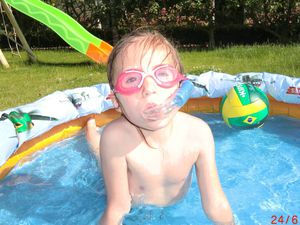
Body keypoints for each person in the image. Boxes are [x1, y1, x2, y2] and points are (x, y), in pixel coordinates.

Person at [86, 28, 234, 225]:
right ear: (116, 101)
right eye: (131, 79)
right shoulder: (115, 139)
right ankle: (91, 132)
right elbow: (119, 207)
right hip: (136, 208)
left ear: (181, 86)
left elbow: (215, 203)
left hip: (175, 206)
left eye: (162, 74)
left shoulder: (198, 133)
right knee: (99, 154)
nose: (149, 89)